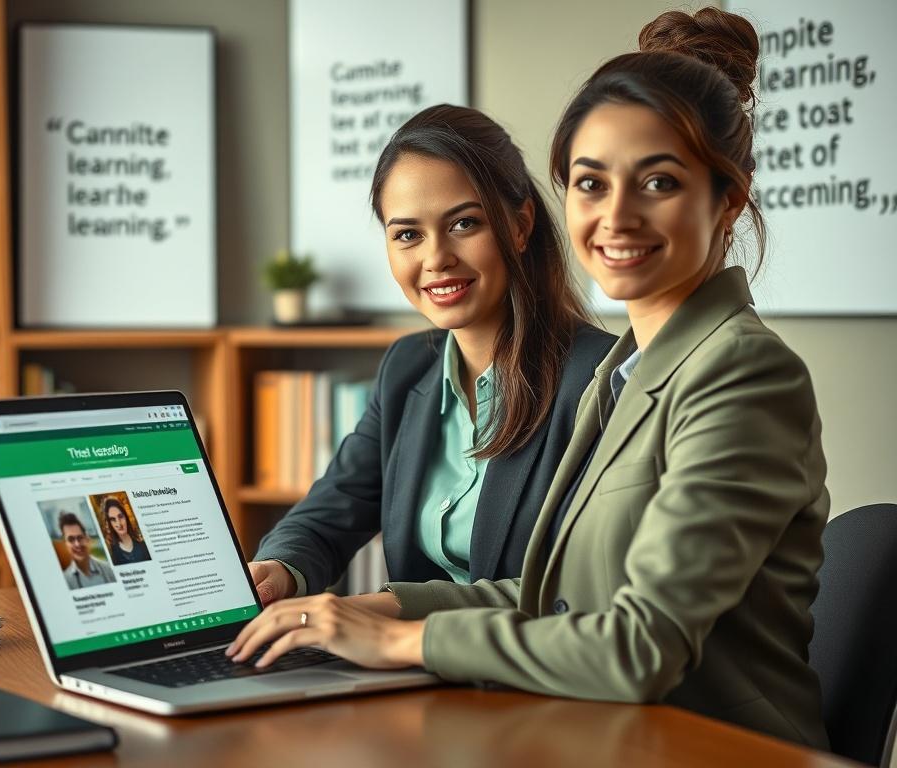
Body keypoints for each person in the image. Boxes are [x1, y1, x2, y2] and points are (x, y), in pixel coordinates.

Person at [228, 8, 830, 749]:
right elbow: (560, 596)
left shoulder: (740, 371)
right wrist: (368, 609)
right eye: (589, 182)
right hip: (588, 726)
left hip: (703, 746)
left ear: (726, 199)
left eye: (660, 182)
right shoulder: (633, 369)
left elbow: (633, 644)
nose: (616, 216)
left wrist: (397, 636)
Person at [248, 105, 615, 605]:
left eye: (464, 224)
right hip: (411, 670)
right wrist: (278, 569)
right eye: (407, 235)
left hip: (526, 671)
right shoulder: (407, 368)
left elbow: (577, 592)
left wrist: (387, 611)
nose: (435, 258)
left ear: (520, 225)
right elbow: (336, 506)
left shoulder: (600, 382)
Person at [59, 512, 116, 589]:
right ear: (65, 543)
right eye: (71, 539)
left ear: (87, 539)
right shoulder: (65, 580)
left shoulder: (109, 570)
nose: (77, 544)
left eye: (80, 537)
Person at [102, 496, 151, 566]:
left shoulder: (142, 543)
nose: (119, 524)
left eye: (120, 516)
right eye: (113, 519)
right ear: (110, 524)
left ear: (126, 517)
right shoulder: (112, 553)